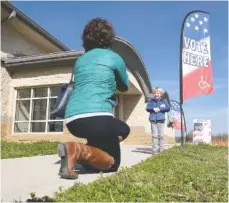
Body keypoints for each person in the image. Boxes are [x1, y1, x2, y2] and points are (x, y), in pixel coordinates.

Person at [57, 18, 130, 179]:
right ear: (109, 37)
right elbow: (125, 86)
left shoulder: (80, 60)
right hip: (98, 118)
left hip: (72, 120)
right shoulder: (113, 57)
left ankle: (86, 152)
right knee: (115, 156)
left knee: (102, 143)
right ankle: (77, 149)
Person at [146, 87, 170, 154]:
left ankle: (161, 150)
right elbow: (147, 108)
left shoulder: (164, 101)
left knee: (161, 135)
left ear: (161, 94)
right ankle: (155, 150)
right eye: (155, 93)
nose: (157, 94)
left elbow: (168, 108)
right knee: (154, 135)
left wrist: (160, 109)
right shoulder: (151, 100)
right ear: (154, 94)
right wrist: (153, 109)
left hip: (160, 120)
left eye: (158, 93)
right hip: (153, 120)